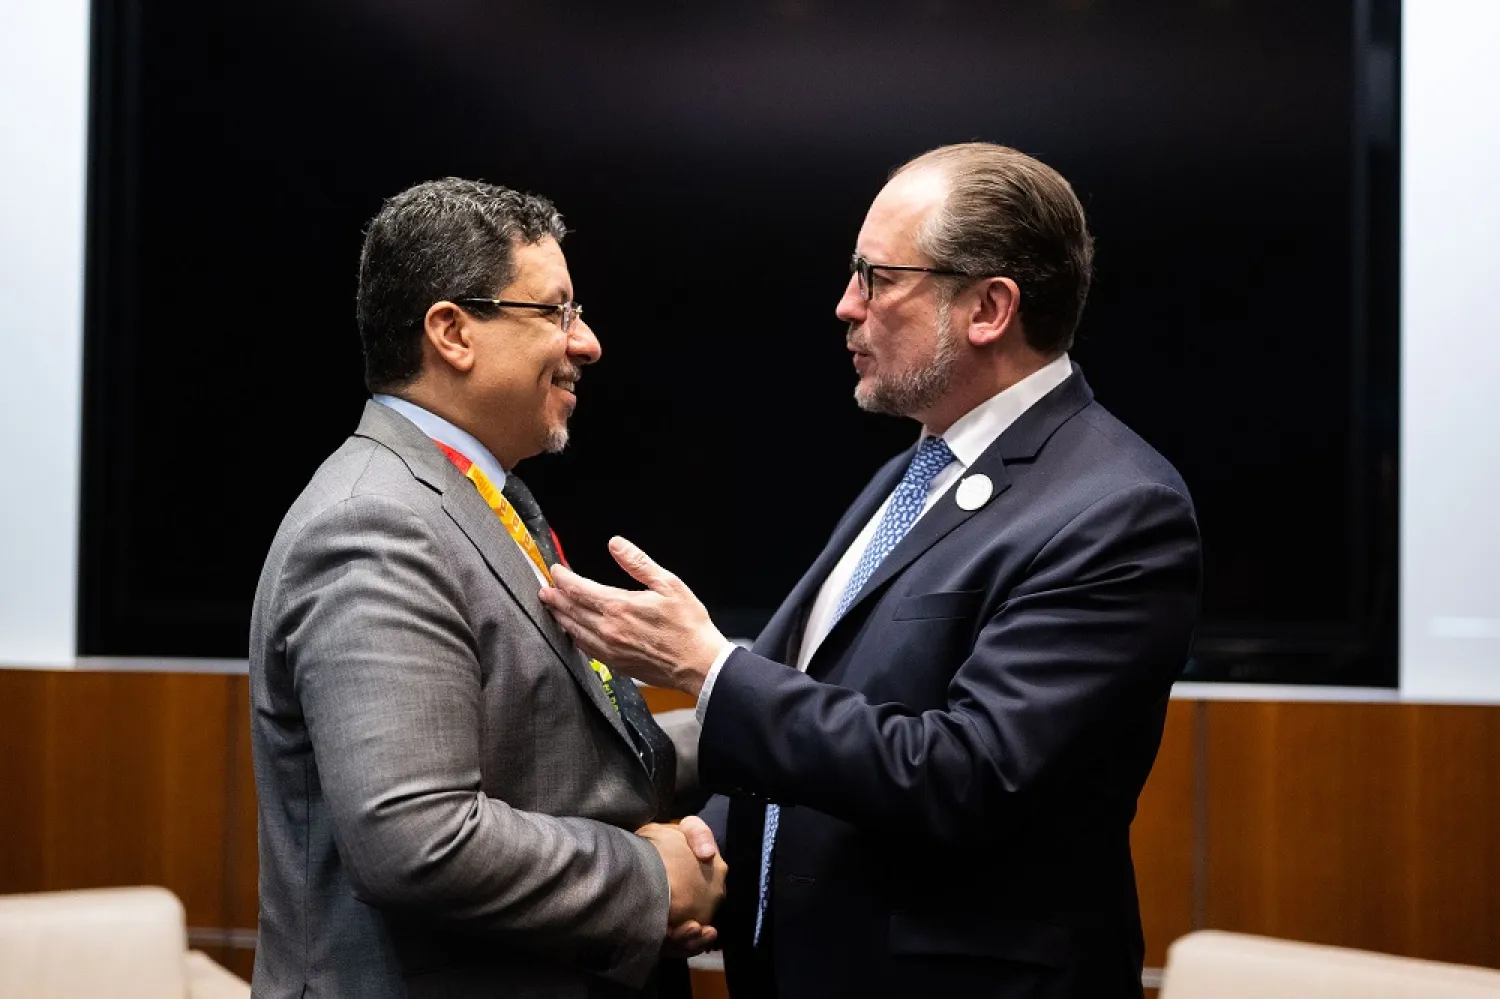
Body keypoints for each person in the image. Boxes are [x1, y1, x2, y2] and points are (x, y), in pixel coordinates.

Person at [539, 143, 1203, 999]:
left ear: (990, 307)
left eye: (877, 277)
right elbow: (800, 719)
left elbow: (970, 773)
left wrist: (708, 667)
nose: (846, 306)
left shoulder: (1119, 507)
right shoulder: (916, 470)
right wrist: (692, 852)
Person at [248, 177, 725, 999]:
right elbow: (418, 837)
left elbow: (567, 761)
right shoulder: (374, 522)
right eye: (558, 312)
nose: (589, 343)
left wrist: (754, 716)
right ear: (452, 333)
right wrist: (649, 876)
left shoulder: (478, 497)